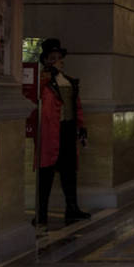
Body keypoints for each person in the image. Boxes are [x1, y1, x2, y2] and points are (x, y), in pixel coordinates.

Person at [29, 38, 91, 231]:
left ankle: (72, 208)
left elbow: (76, 105)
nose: (58, 61)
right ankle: (41, 212)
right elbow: (34, 98)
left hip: (67, 130)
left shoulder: (69, 81)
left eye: (59, 57)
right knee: (45, 173)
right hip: (49, 132)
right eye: (53, 58)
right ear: (46, 59)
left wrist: (81, 127)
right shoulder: (43, 81)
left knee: (69, 172)